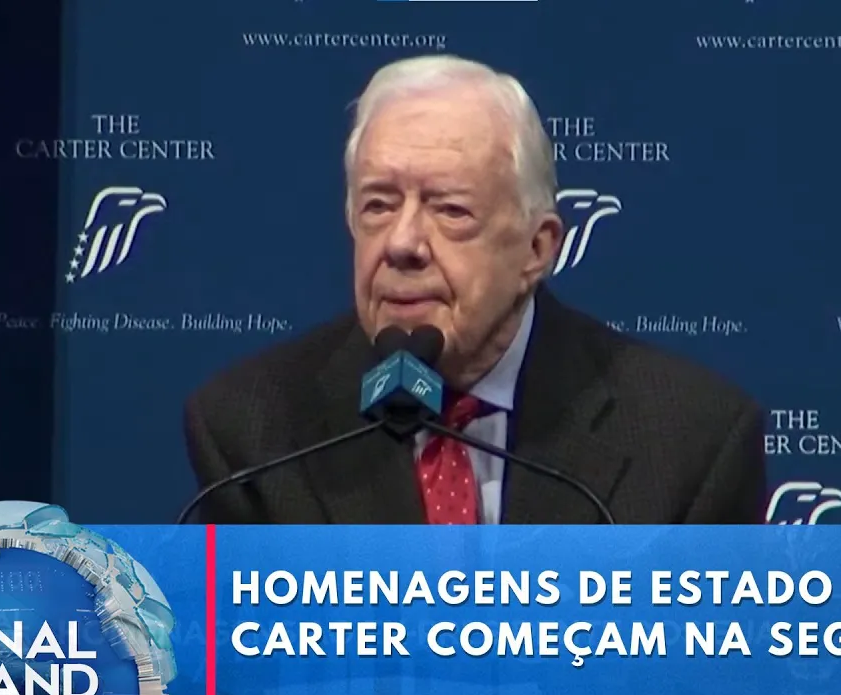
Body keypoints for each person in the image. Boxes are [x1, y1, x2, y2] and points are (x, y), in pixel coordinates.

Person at [183, 54, 766, 524]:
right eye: (378, 206)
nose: (402, 243)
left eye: (451, 210)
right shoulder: (256, 433)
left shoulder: (688, 440)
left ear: (536, 249)